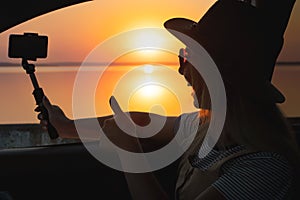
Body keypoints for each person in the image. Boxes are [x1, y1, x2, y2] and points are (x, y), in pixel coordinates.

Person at [37, 0, 300, 199]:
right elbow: (140, 121)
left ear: (217, 73)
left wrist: (130, 154)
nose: (181, 69)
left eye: (187, 57)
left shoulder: (264, 167)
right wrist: (64, 126)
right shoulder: (207, 129)